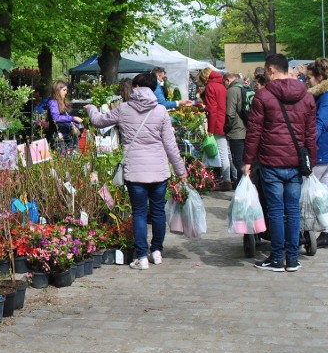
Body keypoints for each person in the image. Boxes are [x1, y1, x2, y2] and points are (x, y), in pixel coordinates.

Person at [85, 72, 188, 270]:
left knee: (139, 213)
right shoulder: (160, 111)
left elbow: (98, 121)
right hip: (159, 171)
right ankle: (156, 251)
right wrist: (180, 170)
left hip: (135, 172)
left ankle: (141, 256)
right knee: (158, 212)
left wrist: (90, 108)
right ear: (152, 87)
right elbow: (170, 145)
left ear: (136, 86)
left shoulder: (123, 109)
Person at [242, 54, 317, 272]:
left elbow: (254, 132)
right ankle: (292, 259)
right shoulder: (306, 97)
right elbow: (310, 135)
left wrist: (248, 160)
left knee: (275, 210)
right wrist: (310, 162)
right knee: (292, 210)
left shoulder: (263, 96)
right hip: (295, 162)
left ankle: (276, 258)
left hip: (270, 162)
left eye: (266, 71)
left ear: (272, 70)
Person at [305, 58, 328, 248]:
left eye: (310, 77)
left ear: (319, 77)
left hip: (321, 149)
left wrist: (308, 145)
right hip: (326, 147)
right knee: (327, 193)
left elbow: (320, 123)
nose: (308, 81)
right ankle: (327, 233)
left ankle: (313, 230)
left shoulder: (327, 97)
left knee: (311, 192)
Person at [199, 67, 232, 191]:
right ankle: (229, 178)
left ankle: (226, 181)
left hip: (218, 122)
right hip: (225, 120)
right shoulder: (221, 85)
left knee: (223, 153)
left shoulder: (210, 87)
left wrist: (210, 129)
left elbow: (213, 109)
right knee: (227, 153)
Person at [223, 72, 247, 186]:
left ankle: (243, 190)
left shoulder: (232, 90)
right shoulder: (247, 87)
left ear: (228, 80)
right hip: (248, 129)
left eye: (224, 83)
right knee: (246, 162)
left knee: (238, 162)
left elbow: (230, 114)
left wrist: (227, 128)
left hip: (237, 131)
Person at [47, 80, 83, 153]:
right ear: (57, 90)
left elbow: (66, 119)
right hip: (59, 138)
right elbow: (56, 118)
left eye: (66, 90)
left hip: (69, 136)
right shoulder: (53, 102)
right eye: (64, 90)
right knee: (64, 159)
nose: (66, 92)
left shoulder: (63, 103)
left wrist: (77, 125)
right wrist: (73, 118)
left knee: (73, 160)